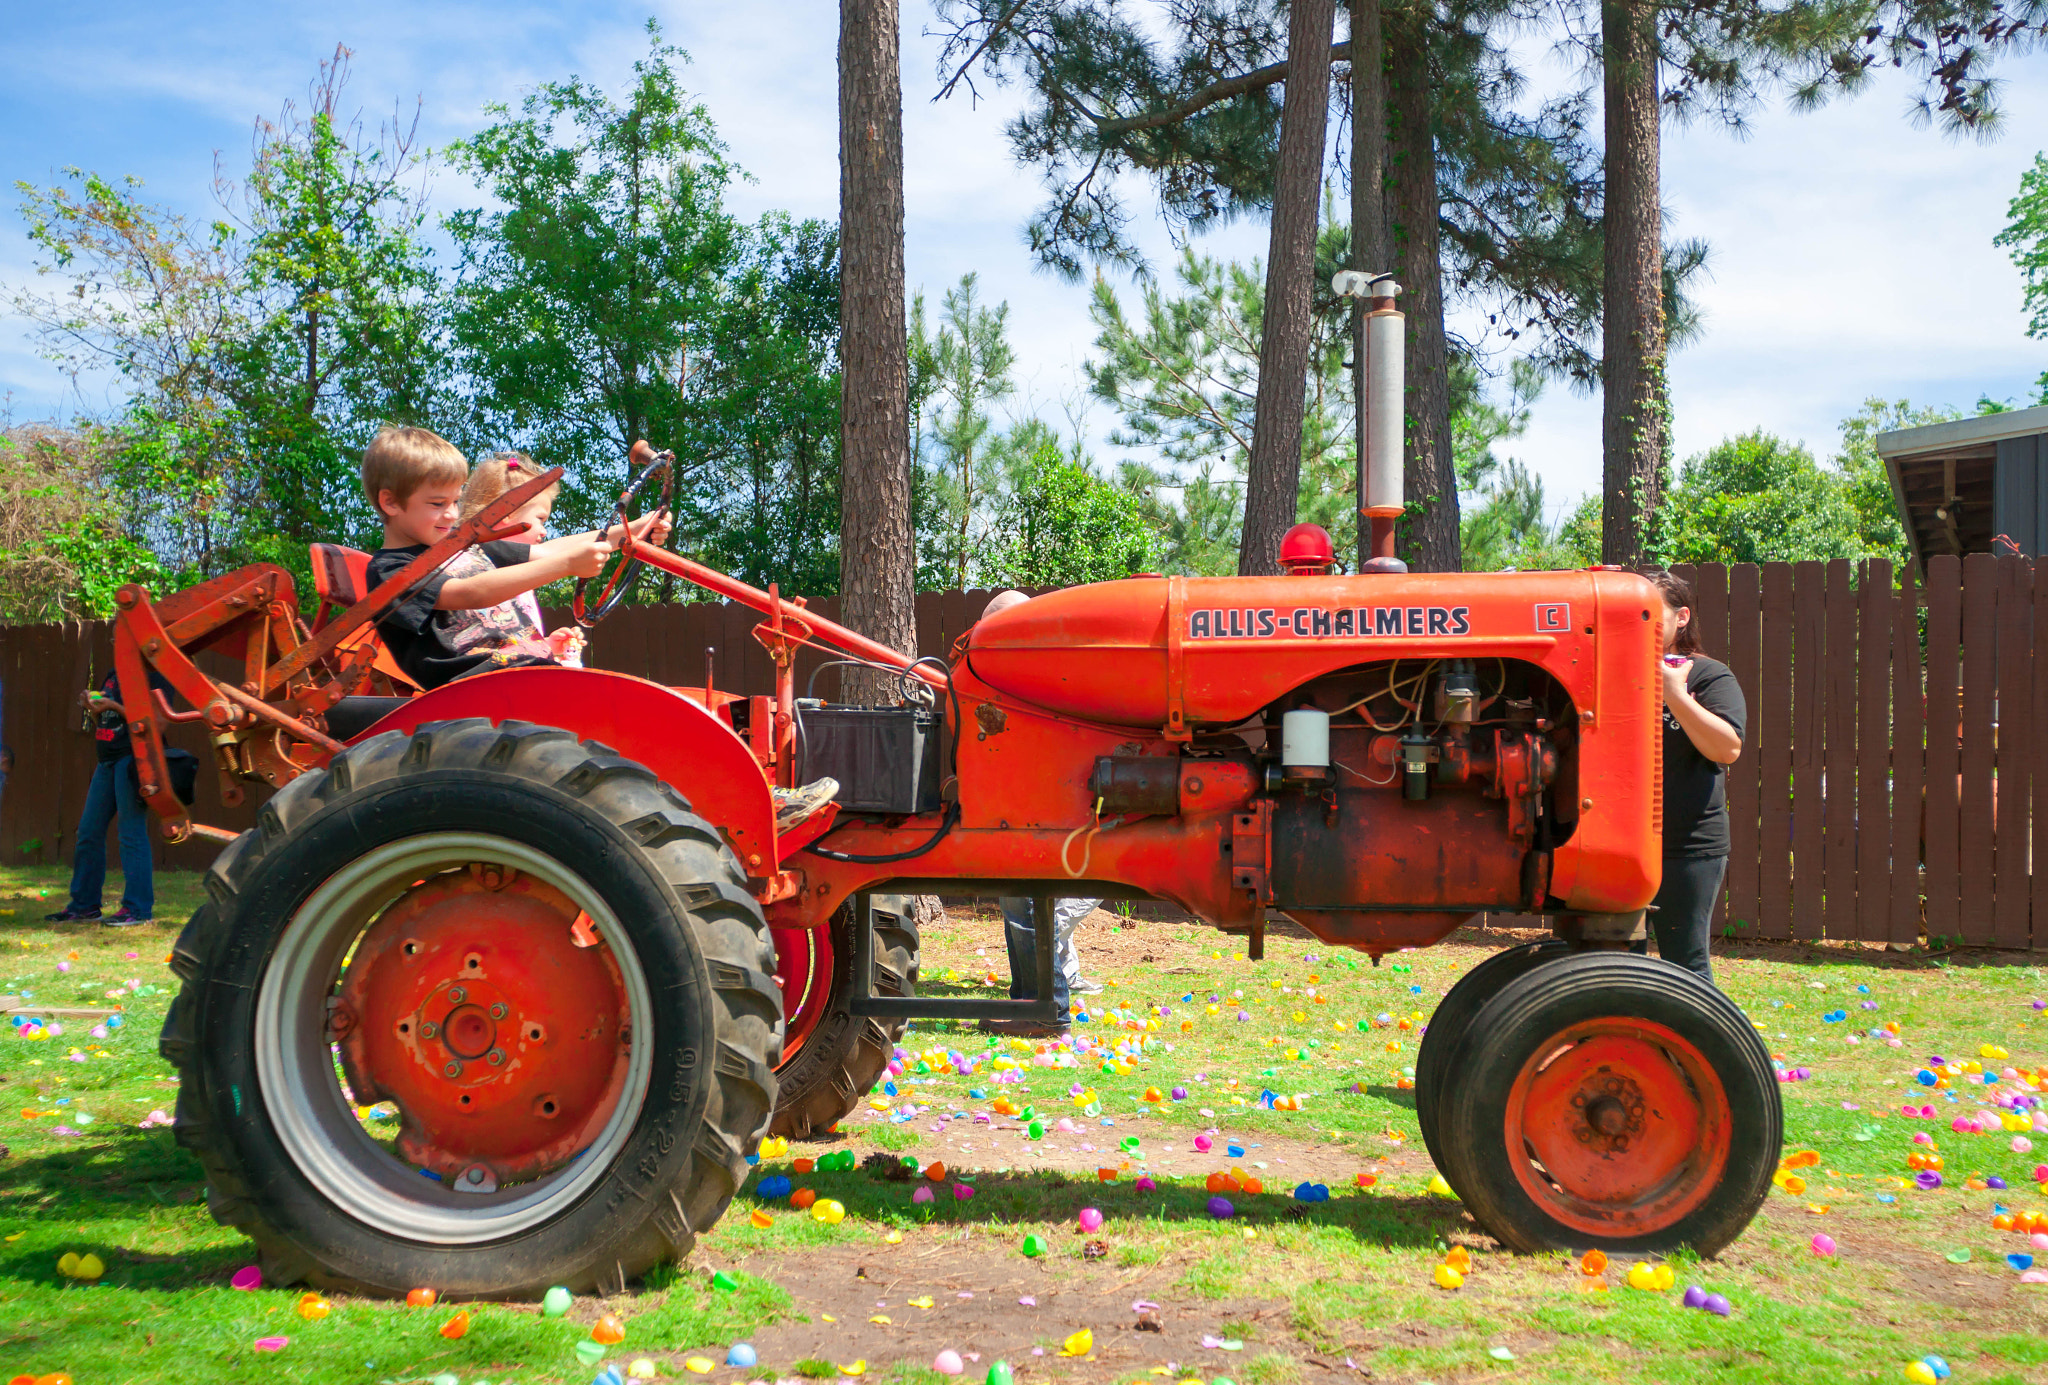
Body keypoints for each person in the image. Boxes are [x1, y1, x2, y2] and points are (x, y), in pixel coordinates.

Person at [361, 426, 668, 691]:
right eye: (438, 503)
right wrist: (568, 566)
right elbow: (471, 592)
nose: (453, 513)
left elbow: (549, 551)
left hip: (522, 673)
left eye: (456, 500)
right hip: (476, 686)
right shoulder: (392, 569)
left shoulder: (462, 545)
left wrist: (632, 530)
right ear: (390, 502)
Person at [1635, 570, 1746, 983]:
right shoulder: (1613, 673)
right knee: (1612, 961)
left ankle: (1702, 1048)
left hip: (1688, 846)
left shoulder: (1709, 677)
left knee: (1687, 964)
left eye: (1651, 614)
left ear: (1681, 617)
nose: (1640, 622)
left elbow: (1727, 748)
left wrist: (1675, 695)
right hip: (1620, 846)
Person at [447, 452, 587, 670]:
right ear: (507, 512)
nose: (544, 531)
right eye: (540, 519)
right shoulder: (476, 562)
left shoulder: (515, 568)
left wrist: (547, 644)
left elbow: (510, 642)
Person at [46, 672, 164, 926]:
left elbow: (159, 722)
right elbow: (106, 720)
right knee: (88, 831)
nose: (115, 640)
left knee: (130, 832)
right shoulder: (113, 674)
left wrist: (114, 706)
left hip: (133, 759)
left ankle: (138, 909)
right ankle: (84, 906)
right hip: (107, 760)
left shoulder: (154, 675)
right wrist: (93, 707)